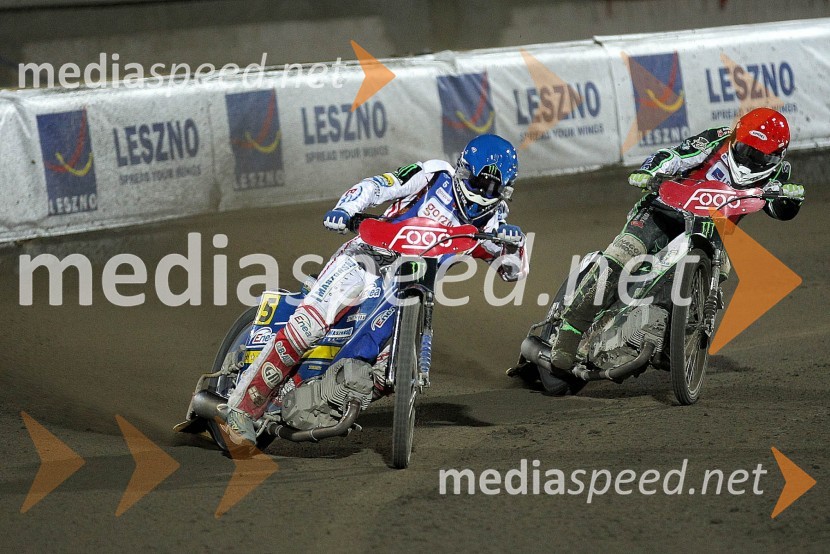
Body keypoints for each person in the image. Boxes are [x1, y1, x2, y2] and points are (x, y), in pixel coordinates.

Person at [222, 134, 528, 445]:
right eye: (478, 180)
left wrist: (515, 245)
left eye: (493, 187)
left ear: (505, 190)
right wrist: (346, 208)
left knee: (386, 374)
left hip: (408, 289)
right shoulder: (434, 175)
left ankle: (317, 399)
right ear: (463, 170)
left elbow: (512, 271)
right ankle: (241, 409)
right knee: (308, 326)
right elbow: (380, 185)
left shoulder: (493, 221)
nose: (483, 190)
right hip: (366, 259)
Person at [549, 107, 806, 370]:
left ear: (777, 157)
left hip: (710, 231)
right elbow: (675, 156)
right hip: (663, 211)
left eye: (758, 156)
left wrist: (791, 200)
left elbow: (778, 208)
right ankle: (569, 333)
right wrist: (649, 171)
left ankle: (677, 340)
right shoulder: (715, 139)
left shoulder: (778, 175)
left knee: (721, 269)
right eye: (743, 149)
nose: (747, 158)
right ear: (735, 138)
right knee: (624, 253)